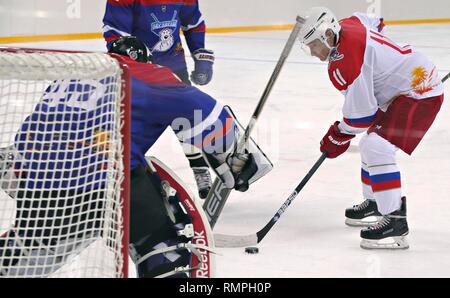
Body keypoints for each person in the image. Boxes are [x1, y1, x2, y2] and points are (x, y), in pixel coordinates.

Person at [0, 37, 270, 277]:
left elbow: (26, 151)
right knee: (161, 243)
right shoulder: (148, 74)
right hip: (105, 185)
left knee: (32, 249)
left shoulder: (71, 77)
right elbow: (213, 122)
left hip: (38, 192)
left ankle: (20, 249)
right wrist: (238, 158)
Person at [298, 7, 444, 249]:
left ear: (327, 34)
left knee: (376, 145)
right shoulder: (347, 24)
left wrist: (337, 135)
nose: (313, 52)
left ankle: (395, 219)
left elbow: (361, 118)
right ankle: (377, 201)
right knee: (371, 142)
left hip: (421, 91)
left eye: (314, 45)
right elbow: (374, 21)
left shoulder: (347, 62)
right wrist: (388, 64)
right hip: (408, 84)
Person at [102, 0, 215, 199]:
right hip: (137, 69)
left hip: (173, 65)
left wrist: (199, 53)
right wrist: (134, 59)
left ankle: (200, 167)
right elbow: (115, 33)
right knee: (130, 123)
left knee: (188, 120)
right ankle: (124, 172)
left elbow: (193, 22)